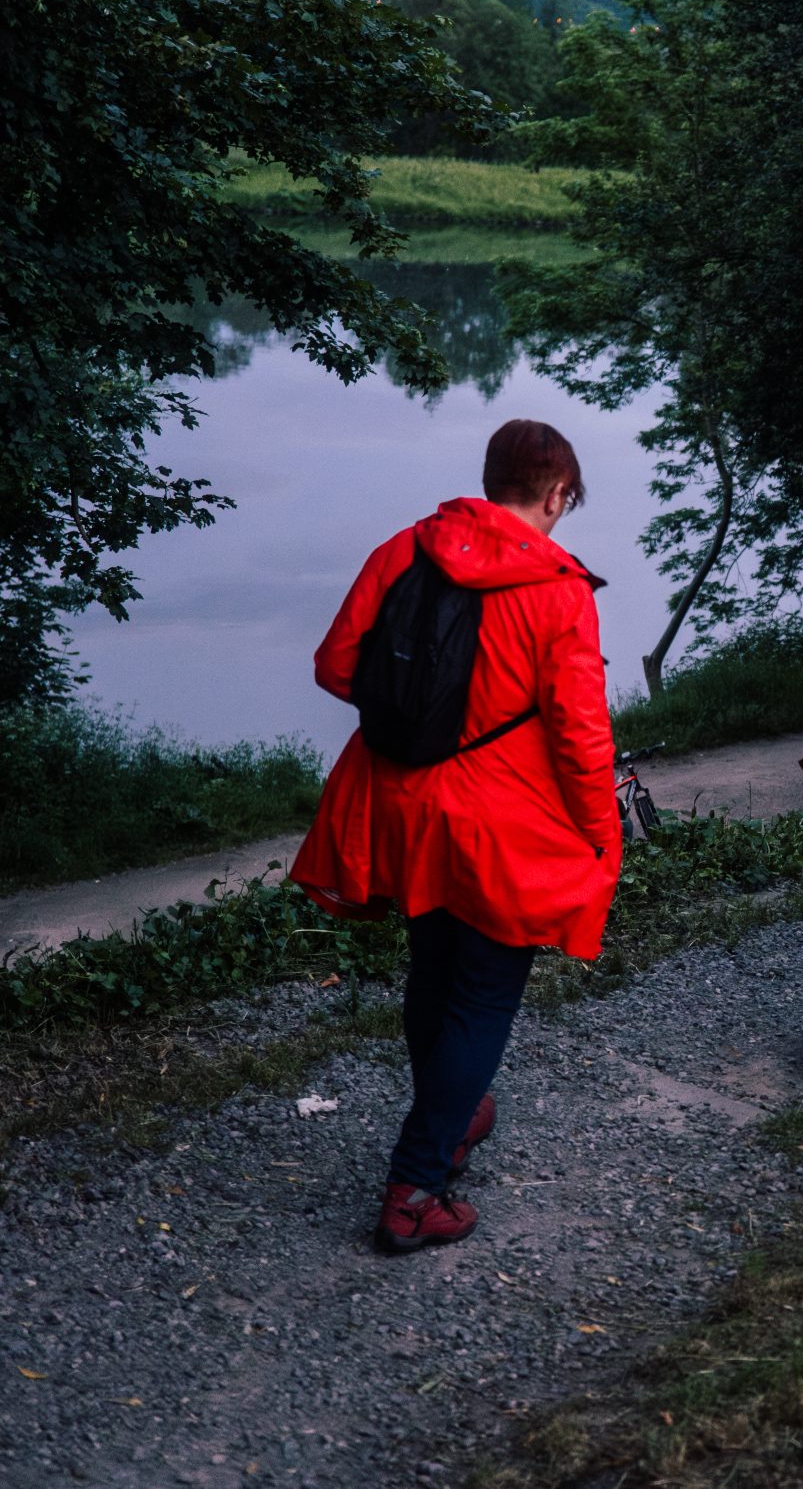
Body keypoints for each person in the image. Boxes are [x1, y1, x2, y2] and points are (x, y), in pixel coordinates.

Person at [293, 420, 621, 1255]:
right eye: (565, 502)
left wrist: (423, 710)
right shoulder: (559, 586)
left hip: (403, 808)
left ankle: (457, 1108)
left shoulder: (404, 549)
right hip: (502, 824)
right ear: (555, 495)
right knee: (482, 994)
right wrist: (597, 836)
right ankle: (415, 1189)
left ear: (488, 478)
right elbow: (581, 739)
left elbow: (337, 664)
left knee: (433, 972)